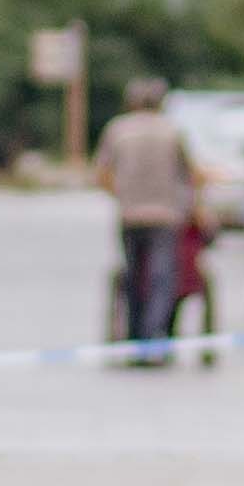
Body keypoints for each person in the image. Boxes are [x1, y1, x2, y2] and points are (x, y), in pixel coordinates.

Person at [95, 83, 198, 365]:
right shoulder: (172, 131)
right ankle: (155, 338)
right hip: (165, 215)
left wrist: (122, 194)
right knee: (161, 278)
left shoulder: (118, 129)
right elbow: (190, 174)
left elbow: (102, 173)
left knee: (132, 276)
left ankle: (134, 336)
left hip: (130, 214)